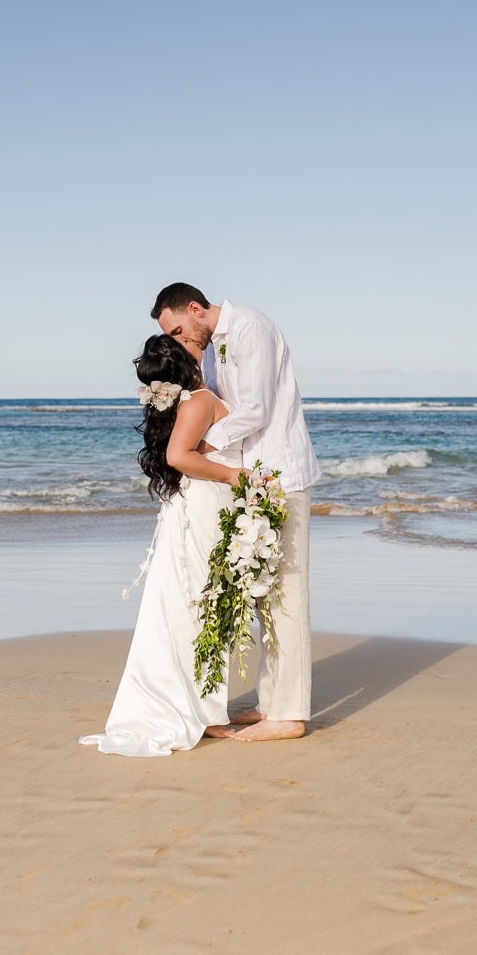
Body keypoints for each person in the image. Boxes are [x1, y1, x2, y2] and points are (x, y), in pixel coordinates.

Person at [152, 283, 321, 742]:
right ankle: (271, 703)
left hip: (281, 474)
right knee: (264, 594)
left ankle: (289, 714)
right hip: (254, 479)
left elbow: (256, 410)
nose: (180, 340)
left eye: (179, 329)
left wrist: (203, 446)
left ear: (194, 308)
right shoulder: (212, 346)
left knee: (286, 591)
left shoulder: (249, 329)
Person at [79, 334, 246, 757]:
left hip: (192, 509)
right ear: (185, 360)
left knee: (183, 604)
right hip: (205, 507)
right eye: (186, 342)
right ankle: (205, 714)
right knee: (200, 605)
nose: (195, 342)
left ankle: (199, 706)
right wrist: (235, 478)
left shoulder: (184, 400)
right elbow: (177, 456)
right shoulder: (201, 399)